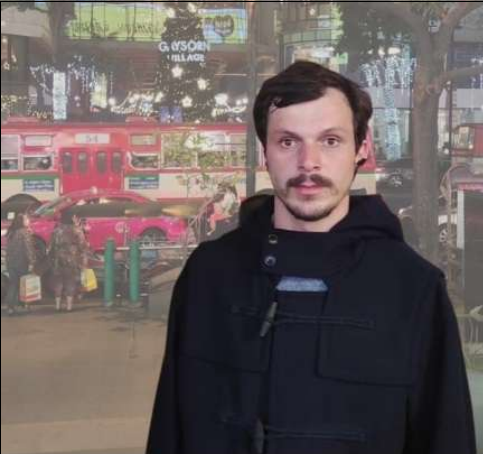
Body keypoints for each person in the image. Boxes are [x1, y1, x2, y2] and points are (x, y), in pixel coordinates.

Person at [146, 61, 476, 454]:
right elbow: (170, 428)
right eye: (288, 142)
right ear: (265, 152)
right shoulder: (209, 275)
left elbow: (446, 437)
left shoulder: (414, 287)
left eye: (330, 140)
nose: (309, 162)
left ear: (362, 148)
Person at [48, 211, 88, 312]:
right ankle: (69, 307)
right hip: (72, 260)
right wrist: (83, 262)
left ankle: (57, 306)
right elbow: (83, 247)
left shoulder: (56, 231)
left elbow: (50, 247)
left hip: (57, 260)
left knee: (58, 282)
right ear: (71, 218)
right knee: (70, 282)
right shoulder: (77, 231)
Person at [5, 213, 37, 316]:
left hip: (11, 262)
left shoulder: (11, 232)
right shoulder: (24, 232)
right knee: (25, 284)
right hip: (22, 262)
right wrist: (32, 262)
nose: (29, 221)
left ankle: (10, 307)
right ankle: (25, 305)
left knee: (13, 284)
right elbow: (29, 249)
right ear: (22, 221)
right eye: (27, 219)